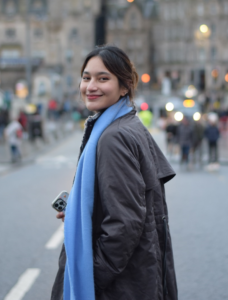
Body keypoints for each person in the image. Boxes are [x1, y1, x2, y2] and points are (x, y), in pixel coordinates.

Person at [51, 46, 178, 300]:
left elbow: (124, 223)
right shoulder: (127, 123)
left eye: (103, 78)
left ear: (125, 87)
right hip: (139, 277)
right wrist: (82, 211)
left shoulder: (114, 137)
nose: (91, 86)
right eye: (86, 77)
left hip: (120, 288)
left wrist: (91, 278)